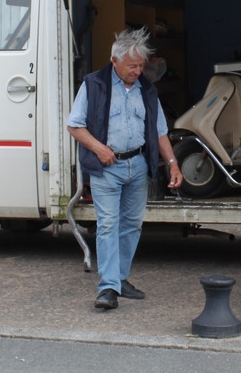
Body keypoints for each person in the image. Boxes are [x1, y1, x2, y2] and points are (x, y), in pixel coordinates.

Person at [67, 27, 183, 310]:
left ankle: (120, 278)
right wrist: (100, 149)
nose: (138, 70)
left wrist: (173, 163)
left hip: (138, 165)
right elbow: (74, 125)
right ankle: (107, 288)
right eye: (132, 65)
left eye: (141, 65)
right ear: (114, 60)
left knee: (132, 225)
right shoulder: (94, 84)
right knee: (108, 224)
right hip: (108, 167)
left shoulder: (147, 88)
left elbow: (159, 132)